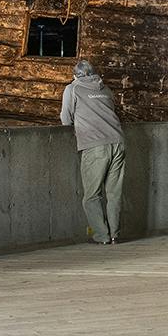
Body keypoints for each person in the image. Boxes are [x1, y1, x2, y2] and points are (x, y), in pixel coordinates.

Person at [60, 59, 125, 244]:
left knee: (91, 195)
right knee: (114, 194)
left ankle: (101, 236)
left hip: (95, 145)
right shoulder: (105, 89)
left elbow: (66, 118)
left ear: (75, 75)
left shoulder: (72, 89)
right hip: (118, 142)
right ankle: (114, 235)